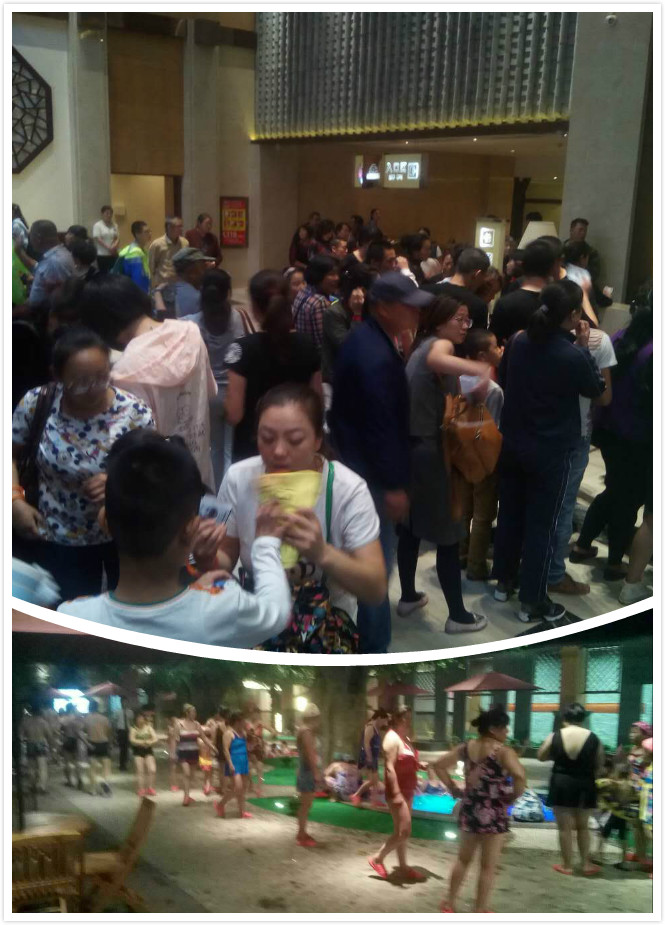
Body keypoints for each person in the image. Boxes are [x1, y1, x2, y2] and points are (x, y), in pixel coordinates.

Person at [57, 429, 294, 648]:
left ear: (105, 521)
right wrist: (265, 542)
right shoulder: (222, 608)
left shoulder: (72, 618)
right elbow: (277, 612)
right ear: (191, 529)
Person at [208, 385, 386, 632]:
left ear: (317, 440)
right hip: (256, 621)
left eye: (295, 440)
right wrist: (207, 556)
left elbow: (376, 589)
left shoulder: (348, 490)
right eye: (267, 438)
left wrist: (322, 553)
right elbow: (226, 555)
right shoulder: (239, 478)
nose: (279, 451)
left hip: (323, 631)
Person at [12, 326, 154, 602]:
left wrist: (119, 482)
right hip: (57, 534)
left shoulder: (134, 412)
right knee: (68, 610)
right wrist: (14, 500)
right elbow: (10, 453)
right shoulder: (37, 402)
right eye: (80, 382)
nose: (93, 390)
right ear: (57, 376)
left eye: (102, 378)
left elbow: (153, 470)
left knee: (125, 607)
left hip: (121, 535)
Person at [330, 273, 433, 653]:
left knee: (367, 560)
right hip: (372, 476)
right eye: (408, 305)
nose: (416, 312)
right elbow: (381, 427)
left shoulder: (366, 339)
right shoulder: (374, 355)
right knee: (375, 567)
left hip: (356, 464)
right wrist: (392, 486)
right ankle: (374, 647)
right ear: (384, 307)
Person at [492, 281, 606, 623]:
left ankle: (503, 583)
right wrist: (583, 347)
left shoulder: (519, 341)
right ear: (572, 314)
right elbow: (596, 389)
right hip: (551, 451)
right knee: (542, 525)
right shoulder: (572, 354)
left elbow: (505, 377)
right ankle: (533, 601)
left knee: (510, 514)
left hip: (513, 442)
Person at [397, 297, 491, 633]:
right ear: (439, 322)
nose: (465, 326)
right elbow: (440, 358)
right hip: (431, 452)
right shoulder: (440, 345)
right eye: (459, 319)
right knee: (450, 533)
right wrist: (481, 368)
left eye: (468, 320)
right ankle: (458, 617)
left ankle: (408, 597)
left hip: (411, 448)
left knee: (411, 528)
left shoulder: (420, 345)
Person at [79, 274, 217, 487]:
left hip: (159, 486)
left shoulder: (125, 371)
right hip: (199, 471)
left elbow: (137, 444)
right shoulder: (191, 332)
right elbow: (210, 392)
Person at [571, 306, 652, 582]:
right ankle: (615, 562)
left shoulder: (621, 336)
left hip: (607, 427)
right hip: (637, 436)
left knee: (616, 490)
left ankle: (583, 545)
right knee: (629, 499)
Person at [434, 705, 526, 913]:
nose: (507, 732)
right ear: (493, 729)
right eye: (504, 728)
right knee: (487, 865)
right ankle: (480, 909)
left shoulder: (466, 747)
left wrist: (452, 788)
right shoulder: (503, 752)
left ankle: (449, 903)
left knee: (463, 859)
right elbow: (520, 776)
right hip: (494, 811)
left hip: (470, 808)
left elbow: (438, 765)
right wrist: (512, 796)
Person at [547, 324, 616, 596]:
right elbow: (604, 396)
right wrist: (585, 350)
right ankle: (553, 574)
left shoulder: (526, 338)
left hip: (535, 430)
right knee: (563, 508)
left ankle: (519, 571)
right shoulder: (595, 343)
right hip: (573, 433)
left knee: (535, 504)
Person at [224, 270, 322, 462]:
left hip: (254, 449)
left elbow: (234, 414)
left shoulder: (242, 349)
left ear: (254, 307)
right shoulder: (307, 345)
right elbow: (317, 402)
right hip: (297, 446)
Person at [182, 268, 246, 488]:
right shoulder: (238, 317)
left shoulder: (192, 324)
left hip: (209, 393)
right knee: (233, 448)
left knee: (216, 448)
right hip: (235, 390)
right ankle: (235, 490)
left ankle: (219, 491)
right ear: (228, 292)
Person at [458, 328, 504, 581]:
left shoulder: (459, 378)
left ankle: (460, 554)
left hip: (461, 453)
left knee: (465, 508)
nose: (500, 350)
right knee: (483, 515)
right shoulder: (493, 389)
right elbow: (493, 428)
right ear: (482, 356)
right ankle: (476, 565)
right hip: (484, 458)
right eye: (495, 346)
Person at [538, 703, 604, 876]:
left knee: (564, 828)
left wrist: (556, 754)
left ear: (564, 718)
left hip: (561, 782)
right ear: (583, 719)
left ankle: (567, 865)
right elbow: (600, 764)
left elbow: (541, 756)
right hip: (585, 783)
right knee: (583, 827)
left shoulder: (555, 735)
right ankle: (586, 865)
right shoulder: (594, 738)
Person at [368, 706, 424, 882]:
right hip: (397, 791)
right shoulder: (392, 738)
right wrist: (397, 792)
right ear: (398, 719)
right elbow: (390, 768)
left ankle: (403, 867)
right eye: (406, 717)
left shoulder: (404, 738)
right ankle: (377, 858)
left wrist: (418, 765)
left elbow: (405, 761)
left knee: (401, 831)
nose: (409, 721)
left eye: (410, 717)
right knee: (404, 831)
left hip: (408, 789)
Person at [489, 239, 556, 345]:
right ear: (552, 268)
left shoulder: (505, 303)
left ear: (523, 265)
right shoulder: (558, 301)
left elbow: (494, 343)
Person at [321, 262, 372, 390]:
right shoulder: (333, 313)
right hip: (339, 379)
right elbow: (349, 346)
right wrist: (357, 314)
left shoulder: (369, 308)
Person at [428, 247, 490, 329]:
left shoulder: (427, 291)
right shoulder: (478, 306)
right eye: (484, 275)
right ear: (477, 274)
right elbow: (478, 337)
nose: (483, 280)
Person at [292, 255, 340, 350]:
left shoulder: (303, 291)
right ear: (318, 275)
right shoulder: (319, 302)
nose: (337, 278)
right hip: (315, 355)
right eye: (331, 274)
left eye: (337, 274)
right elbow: (323, 342)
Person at [27, 220, 76, 306]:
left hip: (41, 311)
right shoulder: (61, 252)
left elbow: (57, 299)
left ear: (38, 238)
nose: (30, 241)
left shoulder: (54, 262)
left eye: (30, 236)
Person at [155, 247, 210, 319]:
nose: (206, 271)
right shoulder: (198, 298)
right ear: (192, 272)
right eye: (203, 267)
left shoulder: (163, 293)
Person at [295, 703, 323, 846]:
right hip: (307, 771)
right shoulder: (306, 731)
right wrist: (316, 772)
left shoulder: (304, 730)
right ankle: (301, 835)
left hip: (304, 770)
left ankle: (302, 832)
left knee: (305, 805)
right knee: (306, 805)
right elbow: (310, 753)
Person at [215, 711, 252, 819]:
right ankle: (220, 804)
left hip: (243, 761)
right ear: (237, 722)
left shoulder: (243, 733)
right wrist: (230, 763)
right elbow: (225, 750)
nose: (245, 723)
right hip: (234, 762)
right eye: (243, 721)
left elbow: (246, 747)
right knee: (237, 788)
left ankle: (242, 811)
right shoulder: (229, 733)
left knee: (243, 788)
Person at [351, 709, 390, 806]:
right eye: (384, 721)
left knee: (375, 781)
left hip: (374, 757)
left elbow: (375, 743)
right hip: (368, 757)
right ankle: (356, 795)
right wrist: (369, 757)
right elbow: (366, 743)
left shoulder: (376, 728)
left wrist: (381, 752)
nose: (384, 723)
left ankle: (374, 800)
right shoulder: (370, 727)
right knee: (373, 781)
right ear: (379, 718)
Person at [176, 704, 211, 806]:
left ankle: (187, 794)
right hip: (183, 753)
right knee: (186, 773)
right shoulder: (179, 724)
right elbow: (175, 739)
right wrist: (173, 753)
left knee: (191, 775)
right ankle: (186, 797)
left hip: (194, 753)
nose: (195, 714)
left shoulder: (197, 724)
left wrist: (212, 747)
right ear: (187, 713)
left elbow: (204, 738)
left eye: (195, 712)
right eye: (193, 712)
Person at [20, 703, 54, 794]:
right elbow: (49, 736)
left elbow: (21, 735)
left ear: (31, 711)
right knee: (42, 767)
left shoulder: (26, 722)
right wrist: (51, 748)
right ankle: (42, 787)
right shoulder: (44, 722)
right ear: (40, 711)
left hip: (30, 743)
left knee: (31, 767)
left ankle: (32, 786)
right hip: (41, 744)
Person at [148, 217, 188, 289]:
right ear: (169, 228)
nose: (181, 229)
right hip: (162, 285)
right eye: (178, 226)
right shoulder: (157, 244)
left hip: (180, 284)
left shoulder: (185, 243)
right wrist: (155, 287)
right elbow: (151, 267)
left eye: (181, 226)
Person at [83, 700, 113, 796]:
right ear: (98, 707)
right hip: (103, 743)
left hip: (92, 743)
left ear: (89, 707)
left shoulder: (86, 719)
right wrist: (110, 743)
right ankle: (105, 784)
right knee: (106, 766)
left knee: (92, 768)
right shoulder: (104, 719)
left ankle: (93, 789)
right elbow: (109, 732)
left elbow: (84, 731)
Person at [115, 220, 152, 293]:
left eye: (150, 231)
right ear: (137, 234)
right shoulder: (134, 252)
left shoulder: (142, 250)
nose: (150, 234)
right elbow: (137, 279)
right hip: (133, 292)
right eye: (146, 232)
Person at [130, 711, 159, 796]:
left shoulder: (149, 728)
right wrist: (143, 742)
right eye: (138, 718)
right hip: (138, 751)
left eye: (141, 718)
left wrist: (149, 742)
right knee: (140, 771)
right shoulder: (133, 729)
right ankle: (141, 789)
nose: (140, 720)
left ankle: (150, 788)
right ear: (135, 720)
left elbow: (155, 738)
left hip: (148, 750)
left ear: (144, 719)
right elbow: (132, 740)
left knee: (152, 769)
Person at [61, 702, 83, 789]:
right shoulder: (76, 718)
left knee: (67, 762)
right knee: (77, 762)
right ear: (72, 709)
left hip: (66, 740)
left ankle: (70, 781)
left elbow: (61, 730)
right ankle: (79, 779)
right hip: (74, 740)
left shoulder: (63, 719)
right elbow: (80, 730)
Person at [92, 205, 119, 274]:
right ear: (102, 214)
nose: (109, 215)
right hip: (102, 254)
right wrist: (109, 248)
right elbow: (98, 239)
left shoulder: (115, 225)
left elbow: (117, 238)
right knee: (103, 274)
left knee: (113, 273)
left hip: (113, 254)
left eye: (110, 213)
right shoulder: (97, 225)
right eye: (107, 213)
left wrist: (114, 247)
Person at [113, 697, 134, 773]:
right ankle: (122, 765)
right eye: (123, 702)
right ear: (121, 703)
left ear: (127, 703)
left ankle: (126, 763)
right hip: (121, 731)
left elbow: (131, 722)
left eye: (126, 702)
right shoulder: (117, 712)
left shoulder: (130, 712)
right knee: (122, 748)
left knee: (127, 748)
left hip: (128, 731)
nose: (124, 703)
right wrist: (114, 733)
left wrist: (132, 731)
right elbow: (115, 722)